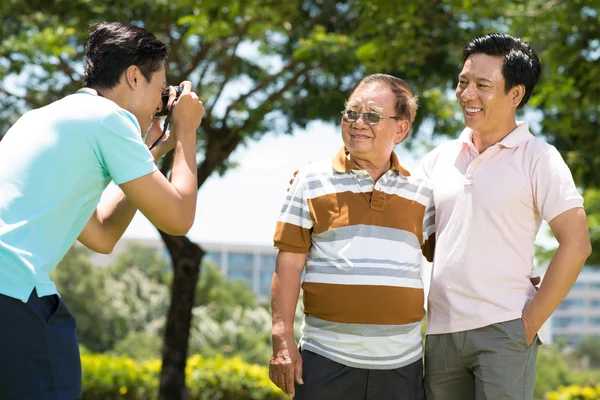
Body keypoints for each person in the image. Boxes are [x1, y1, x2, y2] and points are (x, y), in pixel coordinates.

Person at [0, 21, 203, 399]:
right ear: (132, 76)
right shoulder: (110, 120)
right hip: (13, 294)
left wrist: (154, 150)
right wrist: (187, 132)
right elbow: (179, 219)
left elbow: (102, 234)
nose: (162, 103)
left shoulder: (42, 118)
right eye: (161, 90)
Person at [422, 33, 591, 399]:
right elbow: (416, 232)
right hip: (439, 333)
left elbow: (577, 244)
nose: (467, 94)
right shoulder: (438, 159)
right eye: (463, 82)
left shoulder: (539, 157)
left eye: (482, 85)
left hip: (504, 330)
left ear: (515, 94)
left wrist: (528, 324)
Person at [269, 74, 435, 400]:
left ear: (400, 129)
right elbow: (288, 264)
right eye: (351, 113)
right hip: (324, 361)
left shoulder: (424, 191)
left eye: (372, 116)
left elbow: (453, 253)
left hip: (402, 367)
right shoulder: (309, 180)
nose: (358, 123)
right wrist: (281, 340)